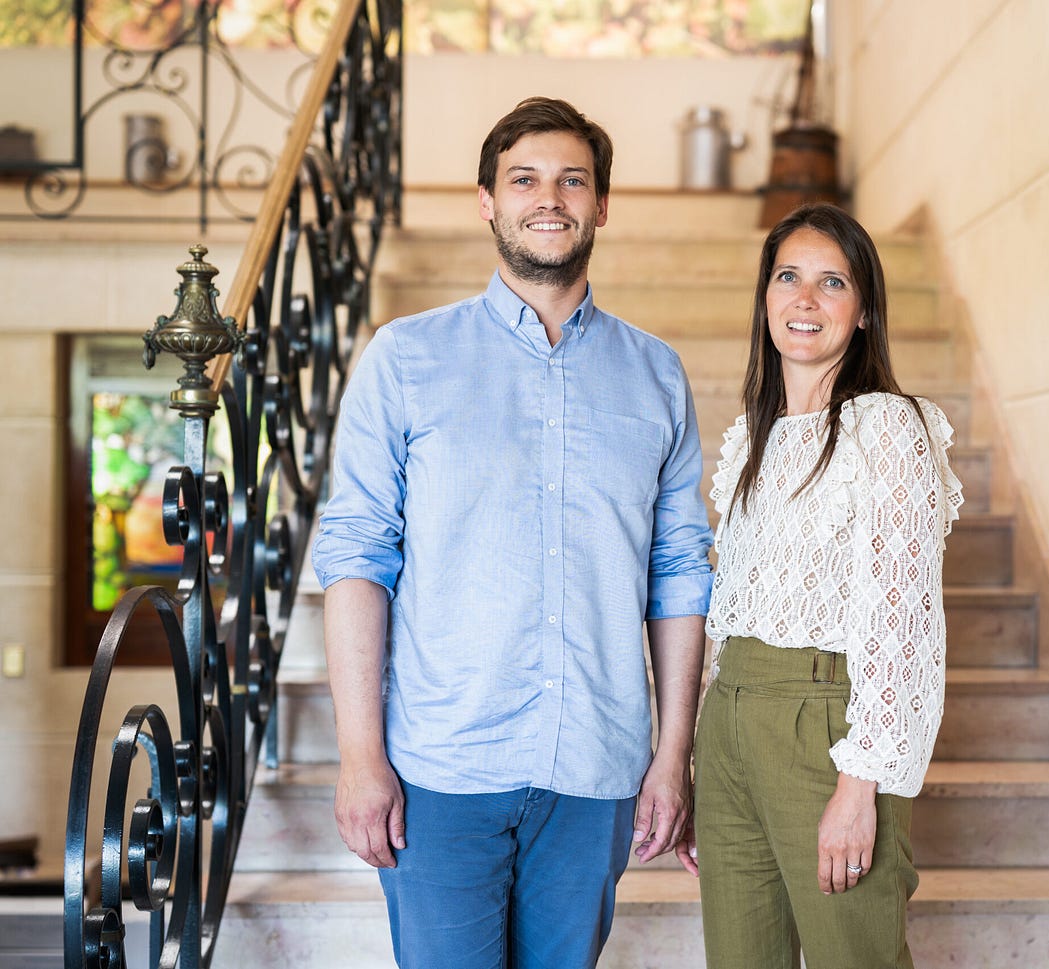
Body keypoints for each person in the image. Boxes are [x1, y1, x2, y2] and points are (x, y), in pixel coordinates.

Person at [311, 96, 713, 969]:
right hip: (439, 771)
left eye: (573, 180)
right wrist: (357, 756)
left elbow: (679, 571)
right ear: (487, 201)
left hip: (597, 772)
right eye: (524, 178)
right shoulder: (405, 358)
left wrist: (672, 756)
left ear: (602, 204)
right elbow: (355, 557)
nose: (550, 197)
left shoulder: (655, 374)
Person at [679, 203, 964, 968]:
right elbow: (730, 613)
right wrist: (705, 760)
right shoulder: (751, 438)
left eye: (831, 281)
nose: (805, 299)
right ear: (766, 298)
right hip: (731, 723)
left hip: (828, 727)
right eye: (788, 277)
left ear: (863, 309)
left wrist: (859, 785)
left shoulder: (889, 427)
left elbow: (903, 621)